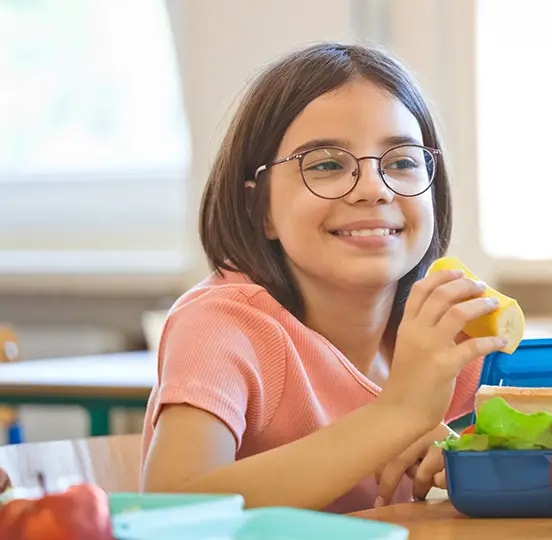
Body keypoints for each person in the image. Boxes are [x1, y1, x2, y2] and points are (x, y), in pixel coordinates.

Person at [139, 42, 508, 513]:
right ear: (260, 209)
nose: (374, 189)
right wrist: (396, 415)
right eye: (327, 165)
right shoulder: (223, 326)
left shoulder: (445, 329)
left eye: (402, 162)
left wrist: (467, 458)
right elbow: (170, 510)